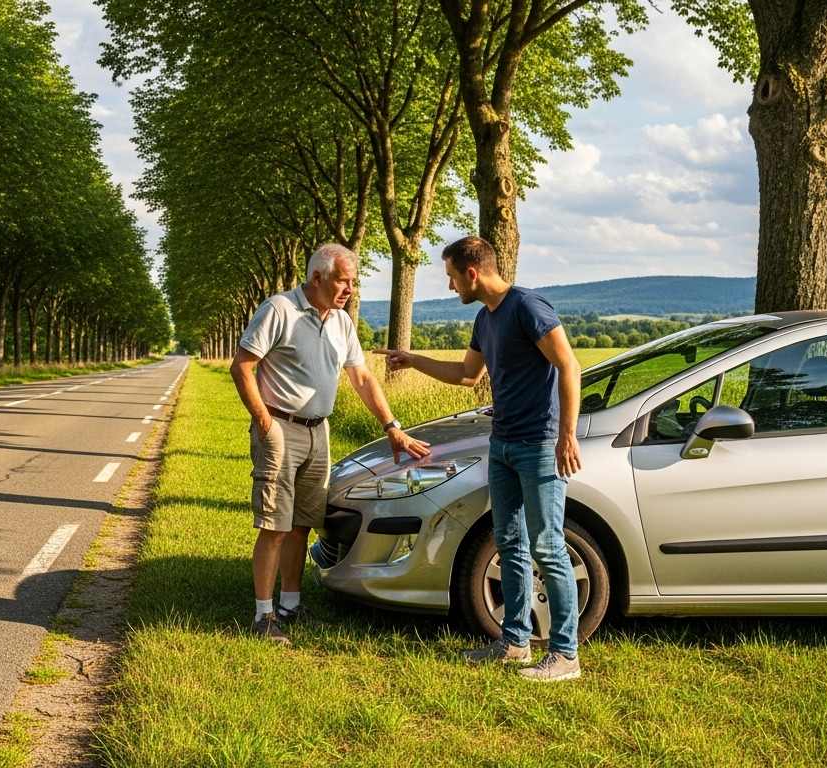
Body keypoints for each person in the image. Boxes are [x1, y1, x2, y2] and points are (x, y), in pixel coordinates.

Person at [374, 236, 584, 682]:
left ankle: (565, 655)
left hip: (540, 445)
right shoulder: (484, 319)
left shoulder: (528, 307)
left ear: (472, 273)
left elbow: (568, 365)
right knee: (509, 541)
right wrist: (412, 360)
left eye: (451, 277)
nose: (450, 287)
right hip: (503, 444)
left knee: (547, 545)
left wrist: (566, 436)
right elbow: (468, 376)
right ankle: (515, 644)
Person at [231, 243, 430, 646]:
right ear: (317, 277)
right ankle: (263, 616)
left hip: (318, 431)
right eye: (343, 281)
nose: (349, 290)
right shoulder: (279, 309)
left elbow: (362, 379)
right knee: (275, 524)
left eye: (352, 283)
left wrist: (392, 425)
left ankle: (290, 605)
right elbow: (243, 366)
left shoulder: (341, 321)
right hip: (280, 428)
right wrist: (265, 423)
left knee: (303, 522)